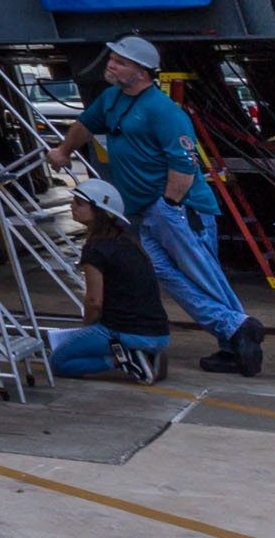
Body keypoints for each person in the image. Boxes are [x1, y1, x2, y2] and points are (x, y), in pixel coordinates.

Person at [46, 34, 260, 374]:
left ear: (142, 72)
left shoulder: (163, 111)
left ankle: (234, 342)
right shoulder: (112, 99)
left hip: (177, 210)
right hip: (147, 211)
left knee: (202, 275)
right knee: (161, 271)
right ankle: (235, 328)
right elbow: (85, 125)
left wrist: (169, 205)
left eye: (120, 62)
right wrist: (64, 150)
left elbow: (185, 163)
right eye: (112, 59)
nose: (111, 65)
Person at [48, 175, 174, 382]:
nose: (72, 206)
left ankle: (124, 359)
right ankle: (144, 355)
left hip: (123, 332)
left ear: (98, 211)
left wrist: (85, 329)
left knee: (58, 361)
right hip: (159, 333)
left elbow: (94, 302)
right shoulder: (129, 242)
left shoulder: (95, 249)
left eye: (79, 203)